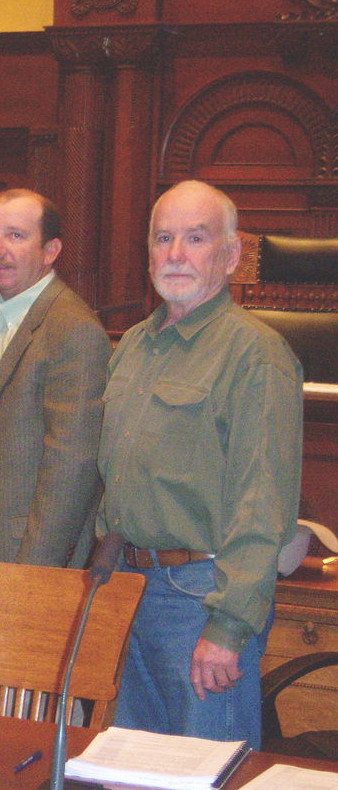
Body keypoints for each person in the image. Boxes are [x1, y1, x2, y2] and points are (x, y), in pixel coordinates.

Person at [98, 179, 303, 747]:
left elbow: (262, 506)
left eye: (196, 238)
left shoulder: (255, 355)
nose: (176, 254)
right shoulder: (133, 346)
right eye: (163, 238)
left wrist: (230, 625)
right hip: (125, 593)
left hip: (200, 601)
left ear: (232, 255)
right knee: (131, 780)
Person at [0, 189, 111, 567]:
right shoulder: (0, 318)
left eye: (15, 235)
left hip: (26, 560)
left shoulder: (72, 329)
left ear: (51, 251)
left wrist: (34, 573)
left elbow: (71, 469)